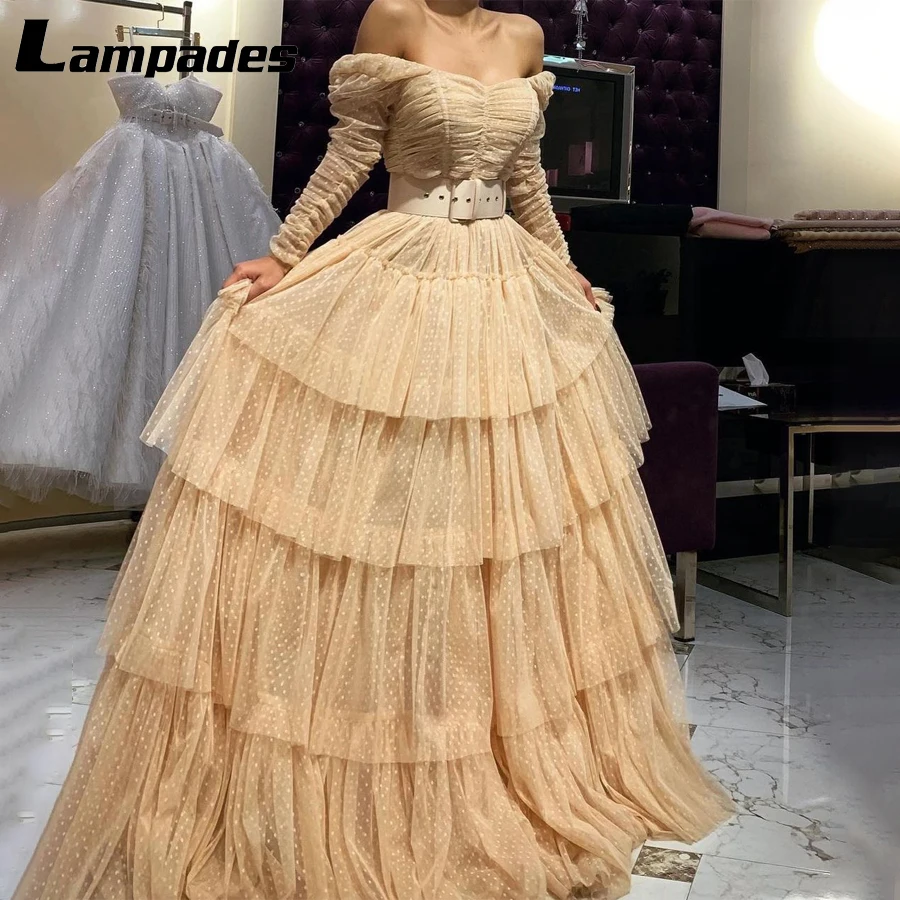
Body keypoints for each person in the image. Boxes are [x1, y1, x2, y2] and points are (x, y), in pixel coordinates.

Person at [13, 1, 733, 898]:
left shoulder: (525, 38)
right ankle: (385, 718)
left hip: (504, 279)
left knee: (499, 515)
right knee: (398, 506)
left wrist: (564, 268)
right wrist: (283, 257)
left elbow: (526, 176)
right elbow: (351, 154)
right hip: (406, 269)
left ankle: (485, 723)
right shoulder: (392, 18)